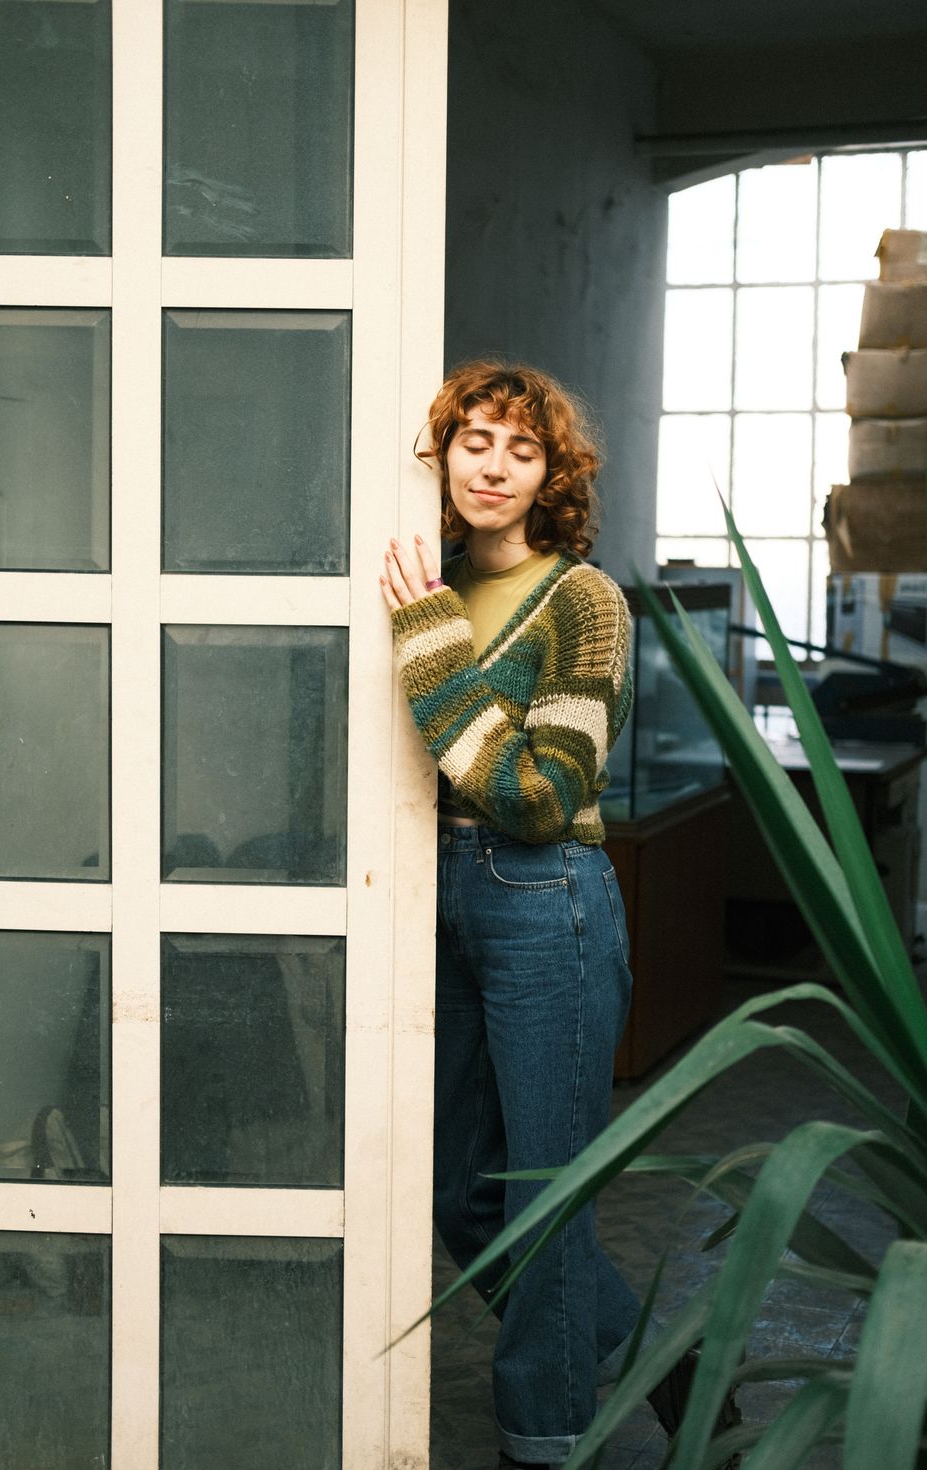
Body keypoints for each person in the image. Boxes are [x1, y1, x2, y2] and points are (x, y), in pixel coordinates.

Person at [380, 361, 739, 1469]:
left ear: (550, 477)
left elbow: (538, 793)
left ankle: (539, 1443)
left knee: (547, 1193)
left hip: (545, 900)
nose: (492, 465)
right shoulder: (422, 577)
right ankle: (679, 1364)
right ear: (439, 455)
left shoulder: (580, 600)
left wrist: (434, 645)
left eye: (521, 450)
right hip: (428, 889)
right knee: (452, 1190)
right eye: (474, 440)